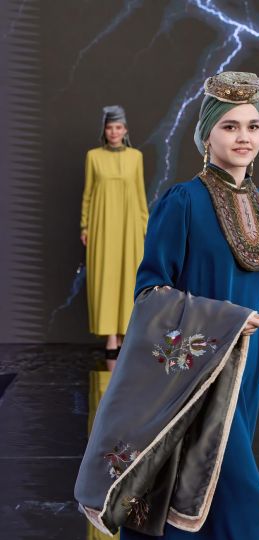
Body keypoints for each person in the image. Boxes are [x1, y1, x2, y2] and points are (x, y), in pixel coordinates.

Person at [115, 72, 259, 540]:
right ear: (207, 135)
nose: (243, 137)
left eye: (253, 125)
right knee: (245, 502)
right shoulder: (182, 202)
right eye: (230, 126)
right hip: (195, 379)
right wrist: (224, 320)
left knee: (203, 495)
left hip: (245, 382)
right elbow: (150, 294)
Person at [80, 105, 148, 356]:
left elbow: (140, 194)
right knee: (105, 277)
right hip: (102, 225)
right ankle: (110, 336)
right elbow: (88, 194)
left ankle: (125, 333)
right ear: (105, 130)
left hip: (130, 226)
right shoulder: (93, 157)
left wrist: (145, 227)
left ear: (125, 130)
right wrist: (85, 225)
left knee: (129, 277)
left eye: (118, 127)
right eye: (110, 127)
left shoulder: (136, 157)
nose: (114, 132)